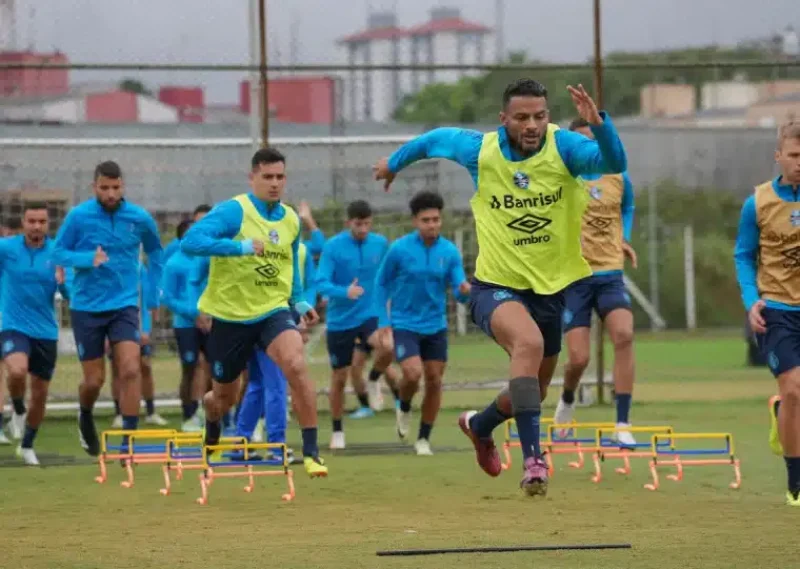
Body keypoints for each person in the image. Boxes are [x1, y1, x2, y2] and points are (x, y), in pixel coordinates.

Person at [373, 79, 627, 496]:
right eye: (522, 117)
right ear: (503, 119)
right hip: (495, 286)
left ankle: (479, 425)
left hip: (550, 288)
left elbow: (614, 161)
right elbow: (435, 140)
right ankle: (533, 461)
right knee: (526, 345)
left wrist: (598, 123)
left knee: (534, 389)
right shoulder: (481, 150)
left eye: (540, 116)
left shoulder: (564, 148)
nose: (532, 125)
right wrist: (394, 164)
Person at [180, 146, 327, 478]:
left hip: (272, 311)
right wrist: (238, 248)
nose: (275, 184)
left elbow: (290, 264)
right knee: (223, 398)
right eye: (268, 177)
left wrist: (299, 300)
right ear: (253, 178)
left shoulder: (290, 219)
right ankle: (212, 415)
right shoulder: (235, 211)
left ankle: (312, 452)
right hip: (230, 318)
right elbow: (191, 241)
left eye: (280, 177)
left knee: (296, 363)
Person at [53, 160, 163, 456]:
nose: (111, 194)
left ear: (122, 186)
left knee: (130, 368)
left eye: (116, 187)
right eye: (105, 188)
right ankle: (85, 413)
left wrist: (155, 293)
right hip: (87, 307)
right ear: (95, 187)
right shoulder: (78, 216)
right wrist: (87, 259)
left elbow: (155, 252)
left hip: (125, 305)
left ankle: (128, 441)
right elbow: (58, 251)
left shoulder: (138, 218)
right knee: (94, 380)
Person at [553, 117, 638, 445]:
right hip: (575, 278)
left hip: (609, 274)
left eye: (592, 140)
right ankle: (568, 398)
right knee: (579, 358)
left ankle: (622, 423)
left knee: (624, 335)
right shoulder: (563, 179)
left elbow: (627, 205)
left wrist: (625, 238)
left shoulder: (618, 174)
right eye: (579, 142)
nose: (586, 148)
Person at [734, 120, 800, 507]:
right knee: (794, 389)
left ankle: (782, 414)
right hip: (776, 310)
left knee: (794, 397)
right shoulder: (757, 202)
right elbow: (743, 255)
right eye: (793, 156)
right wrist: (750, 299)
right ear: (779, 156)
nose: (799, 163)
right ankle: (796, 482)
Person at [374, 190, 470, 456]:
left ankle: (423, 439)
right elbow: (381, 283)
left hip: (435, 325)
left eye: (436, 219)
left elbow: (459, 290)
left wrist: (465, 290)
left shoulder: (449, 252)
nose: (432, 224)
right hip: (404, 323)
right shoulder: (399, 249)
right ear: (415, 221)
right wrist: (383, 320)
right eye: (426, 220)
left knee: (435, 380)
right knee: (413, 374)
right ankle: (403, 406)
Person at [315, 200, 393, 449]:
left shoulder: (380, 244)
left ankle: (373, 380)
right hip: (340, 321)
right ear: (349, 222)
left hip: (370, 315)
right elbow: (321, 283)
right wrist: (343, 291)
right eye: (358, 224)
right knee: (339, 376)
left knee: (388, 347)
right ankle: (337, 431)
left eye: (367, 224)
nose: (363, 229)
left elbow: (390, 275)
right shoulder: (333, 247)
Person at [0, 203, 70, 465]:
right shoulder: (6, 248)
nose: (36, 226)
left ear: (48, 224)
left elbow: (69, 295)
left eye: (41, 221)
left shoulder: (58, 254)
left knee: (40, 394)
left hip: (45, 331)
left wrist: (64, 283)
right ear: (23, 222)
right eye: (32, 221)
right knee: (17, 370)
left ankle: (27, 445)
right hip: (13, 326)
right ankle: (17, 409)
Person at [235, 239, 317, 459]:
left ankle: (239, 443)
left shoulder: (297, 249)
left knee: (257, 384)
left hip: (255, 318)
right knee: (275, 385)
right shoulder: (258, 245)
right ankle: (276, 446)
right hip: (272, 322)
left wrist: (300, 313)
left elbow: (305, 285)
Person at [161, 219, 211, 432]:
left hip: (210, 321)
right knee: (191, 366)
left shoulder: (209, 260)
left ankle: (208, 411)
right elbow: (168, 297)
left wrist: (210, 314)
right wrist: (193, 313)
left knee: (209, 365)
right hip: (185, 324)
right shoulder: (174, 263)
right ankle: (189, 413)